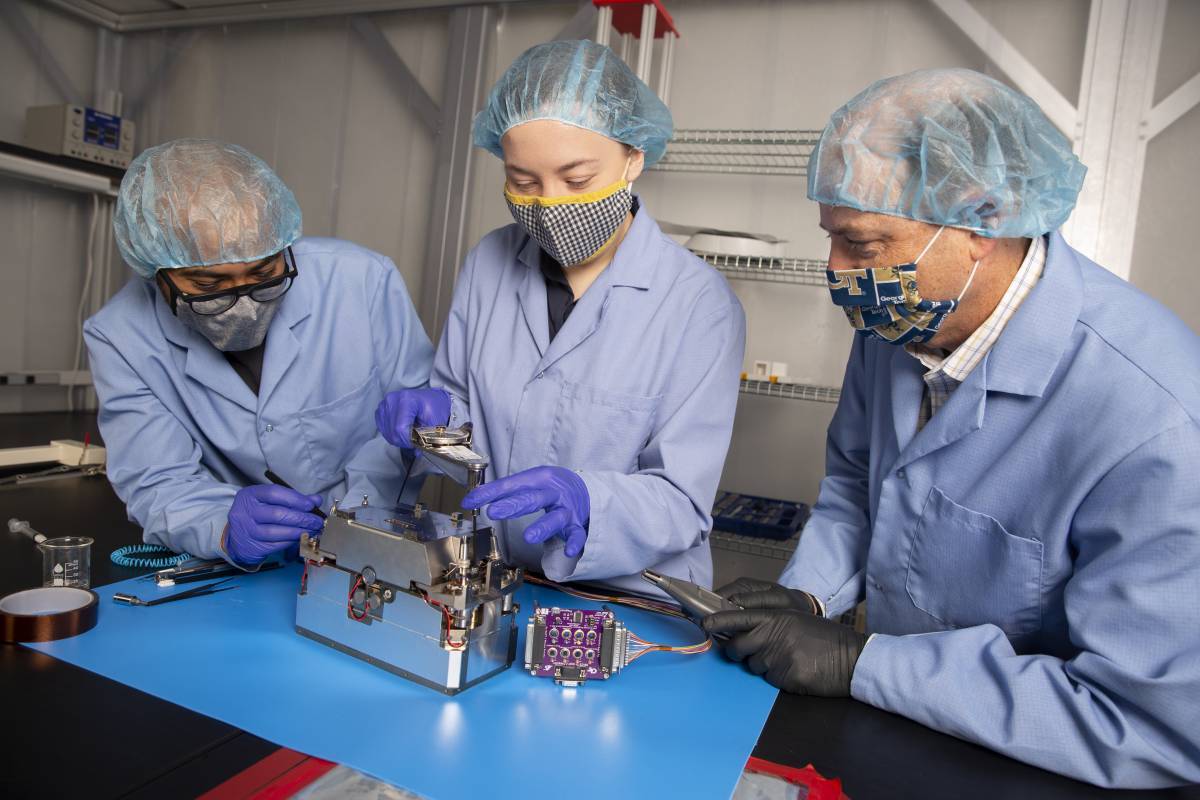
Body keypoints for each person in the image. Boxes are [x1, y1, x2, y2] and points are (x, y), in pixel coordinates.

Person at [702, 69, 1200, 789]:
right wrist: (813, 595)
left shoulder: (1157, 418)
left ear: (980, 223)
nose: (835, 271)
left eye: (864, 245)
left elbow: (1151, 726)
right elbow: (856, 482)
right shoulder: (897, 320)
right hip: (900, 727)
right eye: (831, 239)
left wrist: (858, 661)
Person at [375, 41, 745, 595]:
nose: (549, 204)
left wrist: (588, 499)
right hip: (497, 575)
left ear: (633, 158)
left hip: (633, 595)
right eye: (524, 182)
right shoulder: (487, 263)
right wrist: (433, 420)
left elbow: (682, 502)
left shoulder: (698, 303)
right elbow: (464, 414)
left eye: (575, 180)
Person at [85, 139, 433, 567]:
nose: (246, 305)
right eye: (209, 286)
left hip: (372, 545)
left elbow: (410, 429)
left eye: (265, 273)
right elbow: (159, 480)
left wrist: (352, 519)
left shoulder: (360, 281)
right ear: (155, 272)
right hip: (239, 568)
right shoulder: (120, 335)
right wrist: (223, 527)